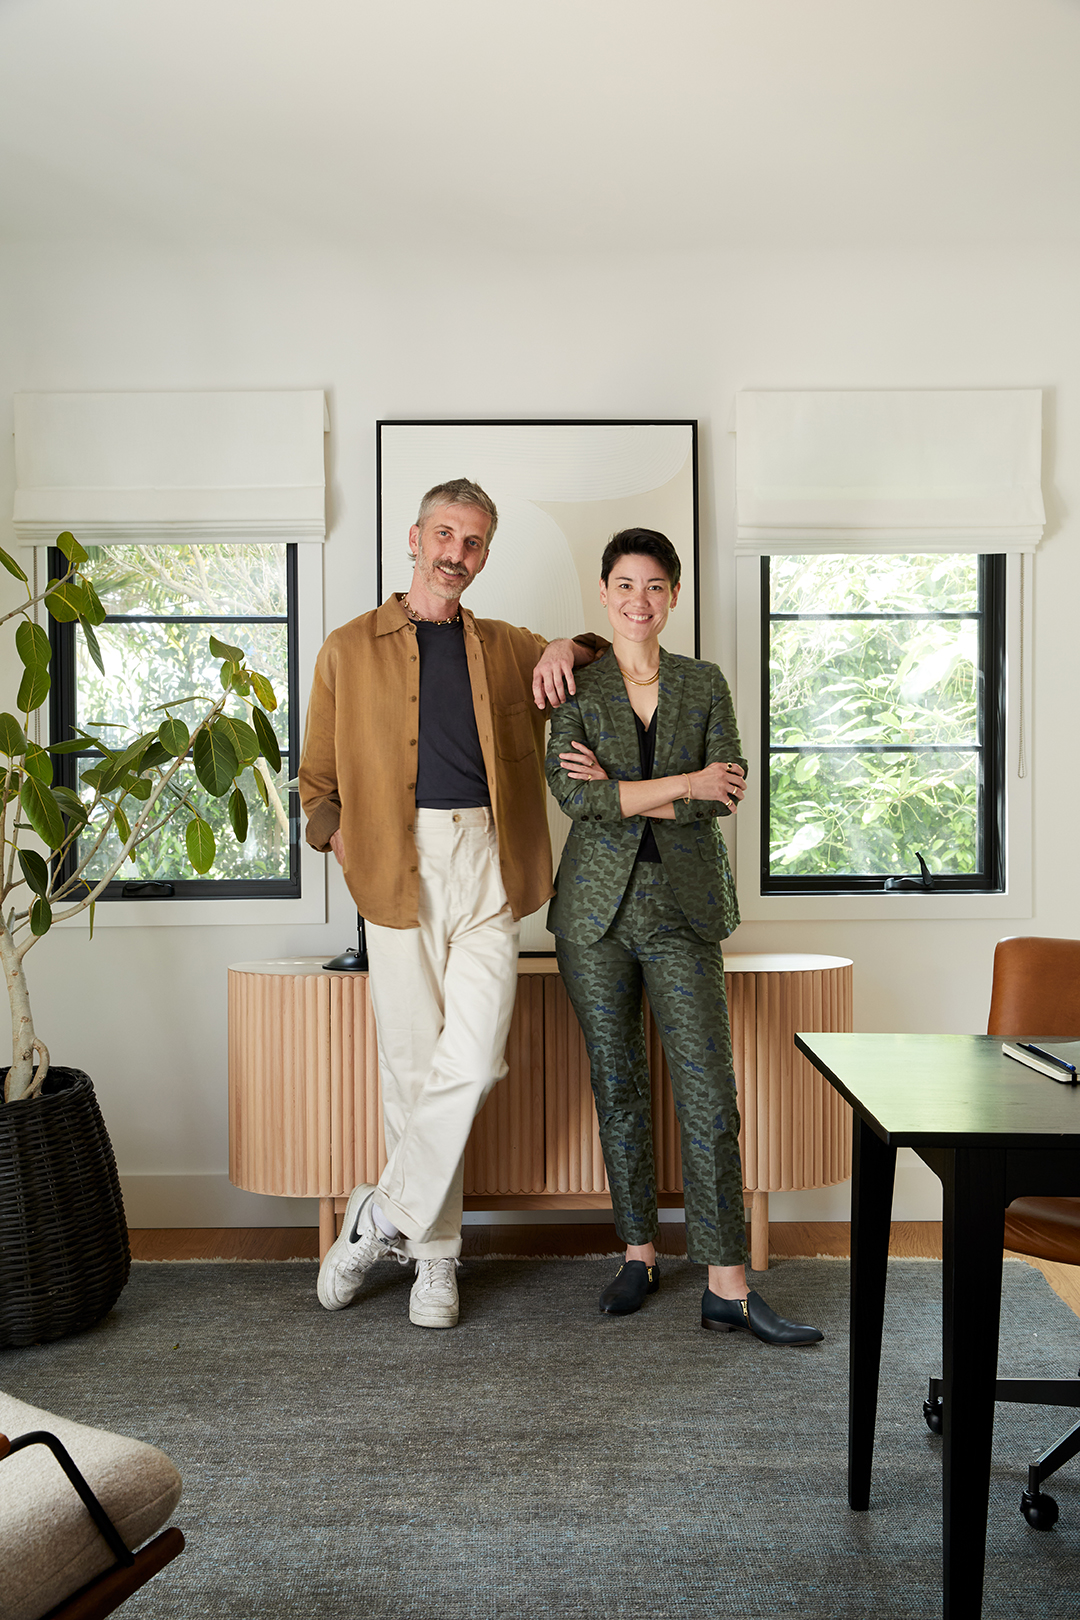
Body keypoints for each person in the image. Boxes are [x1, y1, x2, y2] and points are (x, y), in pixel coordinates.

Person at [298, 477, 602, 1329]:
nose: (454, 554)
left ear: (485, 555)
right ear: (414, 536)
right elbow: (315, 784)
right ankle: (435, 1257)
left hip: (488, 866)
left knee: (472, 1061)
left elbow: (607, 652)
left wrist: (568, 649)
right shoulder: (348, 647)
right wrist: (343, 840)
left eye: (472, 543)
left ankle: (380, 1216)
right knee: (410, 1067)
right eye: (444, 535)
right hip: (394, 863)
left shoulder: (509, 648)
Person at [545, 527, 823, 1346]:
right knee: (618, 1084)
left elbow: (724, 792)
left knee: (708, 1091)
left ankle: (728, 1286)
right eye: (625, 586)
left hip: (686, 912)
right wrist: (679, 783)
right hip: (593, 918)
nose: (640, 601)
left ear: (674, 597)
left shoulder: (705, 683)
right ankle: (638, 1251)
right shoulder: (575, 687)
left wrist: (642, 789)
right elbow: (580, 803)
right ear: (605, 593)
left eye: (656, 587)